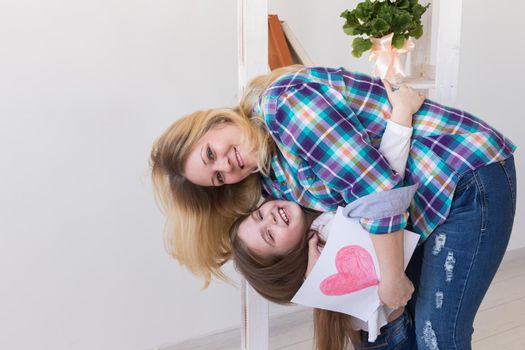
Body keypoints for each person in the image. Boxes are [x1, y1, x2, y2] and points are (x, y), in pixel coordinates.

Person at [150, 66, 516, 349]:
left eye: (211, 153)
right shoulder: (272, 178)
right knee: (402, 331)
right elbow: (347, 219)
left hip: (463, 173)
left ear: (215, 123)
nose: (225, 167)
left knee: (438, 336)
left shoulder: (283, 106)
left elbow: (377, 190)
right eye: (216, 177)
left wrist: (391, 279)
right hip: (425, 208)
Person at [229, 117, 416, 349]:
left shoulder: (316, 217)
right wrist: (400, 121)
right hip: (390, 335)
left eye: (259, 215)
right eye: (270, 235)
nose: (271, 218)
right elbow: (381, 194)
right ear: (287, 260)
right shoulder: (326, 231)